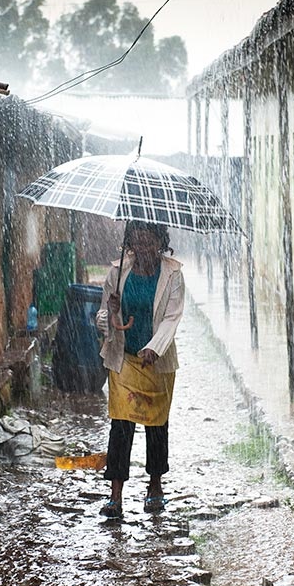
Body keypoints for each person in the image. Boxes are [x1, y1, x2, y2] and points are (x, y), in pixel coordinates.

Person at [94, 221, 185, 518]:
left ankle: (155, 485)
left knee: (156, 426)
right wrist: (112, 311)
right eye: (138, 243)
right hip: (125, 360)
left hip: (157, 363)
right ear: (130, 244)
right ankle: (115, 494)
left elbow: (172, 318)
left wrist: (154, 347)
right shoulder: (118, 272)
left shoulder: (173, 275)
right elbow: (102, 317)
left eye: (149, 242)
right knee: (120, 426)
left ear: (160, 242)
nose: (144, 249)